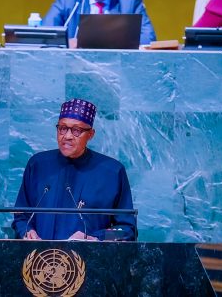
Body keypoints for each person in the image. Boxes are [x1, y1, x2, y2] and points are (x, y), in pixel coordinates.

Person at [12, 98, 137, 241]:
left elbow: (127, 230)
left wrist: (96, 238)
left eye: (76, 130)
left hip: (90, 260)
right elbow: (20, 216)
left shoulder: (112, 172)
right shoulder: (38, 165)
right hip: (40, 260)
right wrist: (26, 231)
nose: (67, 136)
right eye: (62, 128)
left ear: (90, 134)